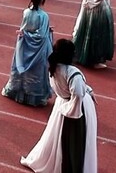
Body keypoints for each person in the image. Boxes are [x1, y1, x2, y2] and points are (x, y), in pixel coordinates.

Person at [20, 39, 98, 173]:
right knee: (76, 140)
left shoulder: (54, 67)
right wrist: (73, 109)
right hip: (75, 108)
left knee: (58, 136)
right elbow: (78, 93)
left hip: (61, 104)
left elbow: (72, 88)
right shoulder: (72, 72)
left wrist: (87, 90)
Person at [1, 0, 53, 107]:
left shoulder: (26, 12)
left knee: (20, 68)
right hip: (38, 49)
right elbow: (41, 35)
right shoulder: (43, 16)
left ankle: (15, 92)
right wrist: (46, 31)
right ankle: (34, 97)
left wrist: (27, 35)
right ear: (42, 0)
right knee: (36, 71)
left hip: (24, 44)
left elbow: (25, 29)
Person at [72, 0, 114, 69]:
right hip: (88, 5)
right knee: (86, 28)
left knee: (95, 31)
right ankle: (82, 55)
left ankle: (94, 58)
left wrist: (92, 3)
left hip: (96, 8)